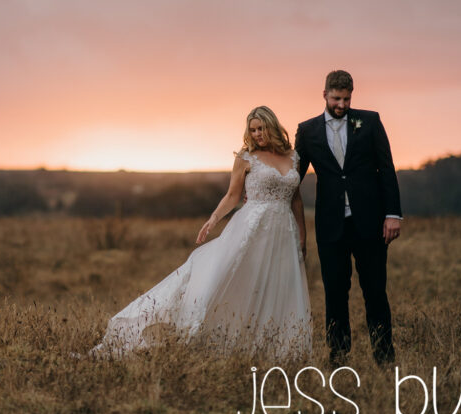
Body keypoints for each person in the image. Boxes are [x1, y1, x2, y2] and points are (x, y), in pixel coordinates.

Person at [89, 106, 312, 360]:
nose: (258, 134)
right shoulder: (246, 157)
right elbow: (232, 195)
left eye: (261, 128)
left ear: (272, 126)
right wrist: (213, 219)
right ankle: (211, 338)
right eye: (253, 130)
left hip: (284, 232)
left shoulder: (293, 157)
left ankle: (275, 351)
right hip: (252, 229)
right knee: (231, 279)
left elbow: (296, 200)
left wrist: (302, 238)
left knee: (277, 285)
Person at [294, 70, 402, 368]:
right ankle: (339, 360)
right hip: (330, 226)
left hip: (369, 221)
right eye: (336, 98)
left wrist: (393, 214)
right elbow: (294, 177)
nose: (342, 104)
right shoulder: (308, 130)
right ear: (325, 95)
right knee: (335, 294)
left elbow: (387, 168)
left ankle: (385, 358)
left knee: (375, 292)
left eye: (347, 98)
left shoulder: (369, 121)